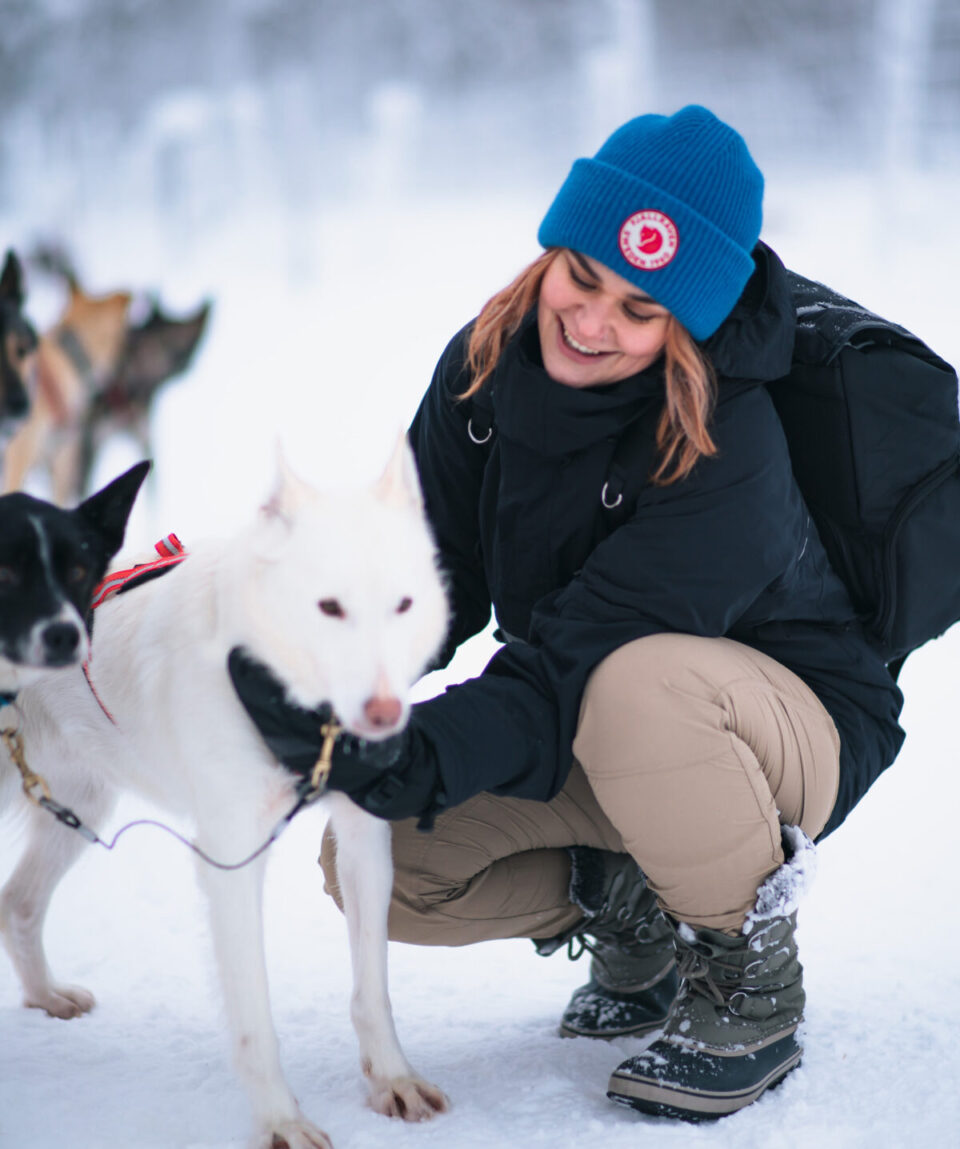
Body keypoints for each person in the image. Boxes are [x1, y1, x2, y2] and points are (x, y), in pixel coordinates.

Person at [316, 105, 905, 1120]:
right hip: (605, 714)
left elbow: (572, 673)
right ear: (551, 253)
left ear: (690, 325)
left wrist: (421, 745)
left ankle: (750, 981)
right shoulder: (482, 374)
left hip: (781, 728)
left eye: (641, 311)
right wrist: (315, 691)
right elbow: (421, 571)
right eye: (582, 278)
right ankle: (636, 896)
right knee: (378, 855)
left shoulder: (727, 445)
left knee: (637, 686)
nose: (590, 324)